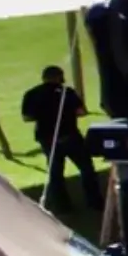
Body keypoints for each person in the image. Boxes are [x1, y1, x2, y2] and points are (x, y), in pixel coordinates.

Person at [19, 66, 100, 209]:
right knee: (86, 168)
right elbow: (81, 112)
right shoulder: (66, 93)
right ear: (59, 77)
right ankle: (94, 202)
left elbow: (26, 117)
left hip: (47, 138)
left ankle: (63, 206)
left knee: (55, 172)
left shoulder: (32, 94)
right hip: (70, 135)